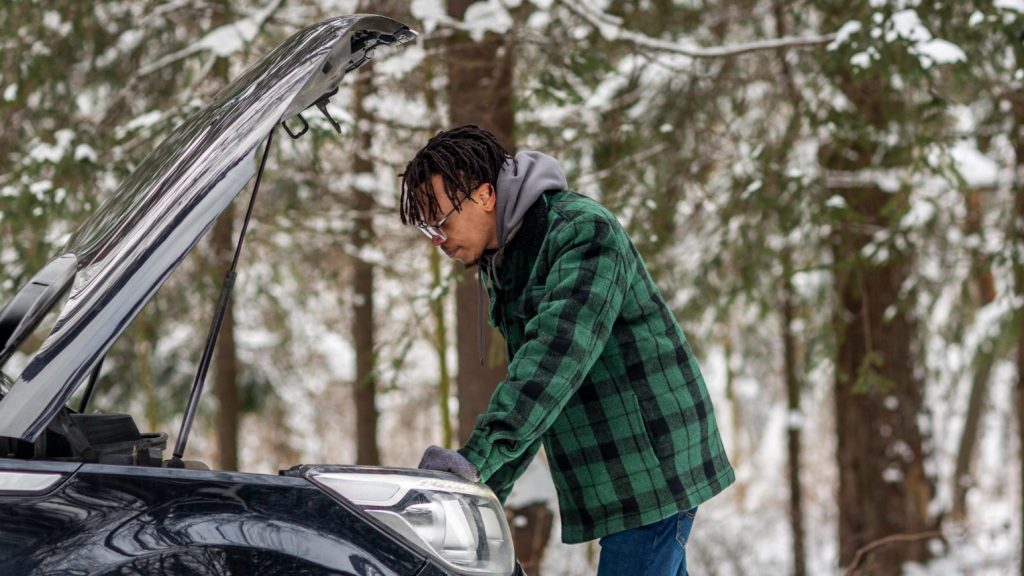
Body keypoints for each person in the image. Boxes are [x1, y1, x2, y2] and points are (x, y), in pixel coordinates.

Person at [399, 125, 734, 575]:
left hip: (652, 463)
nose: (437, 239)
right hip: (616, 471)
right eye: (426, 228)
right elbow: (536, 394)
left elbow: (553, 365)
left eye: (440, 220)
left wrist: (474, 460)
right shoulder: (507, 263)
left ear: (483, 196)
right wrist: (478, 487)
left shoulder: (582, 233)